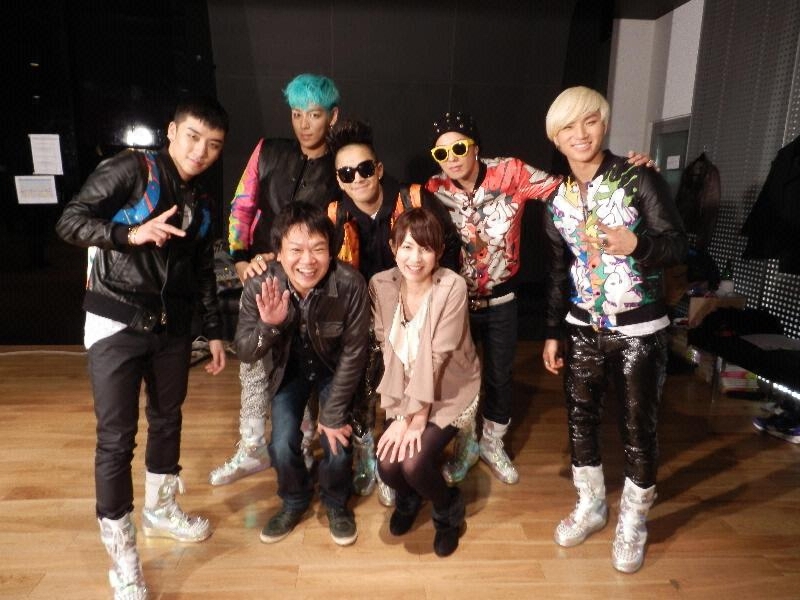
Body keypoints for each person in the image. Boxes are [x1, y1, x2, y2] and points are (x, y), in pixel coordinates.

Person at [55, 96, 230, 600]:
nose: (200, 151)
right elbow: (70, 221)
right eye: (193, 137)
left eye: (213, 145)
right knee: (116, 439)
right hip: (115, 319)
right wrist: (129, 234)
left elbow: (201, 270)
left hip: (171, 328)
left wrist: (214, 330)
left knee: (167, 419)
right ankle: (124, 560)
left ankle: (160, 507)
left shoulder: (203, 200)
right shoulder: (133, 169)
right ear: (172, 131)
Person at [425, 112, 656, 486]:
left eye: (459, 148)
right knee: (460, 379)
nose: (451, 158)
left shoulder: (511, 172)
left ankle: (492, 444)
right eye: (441, 153)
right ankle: (466, 446)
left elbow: (570, 188)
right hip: (456, 303)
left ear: (475, 147)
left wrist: (631, 174)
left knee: (500, 377)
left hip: (502, 299)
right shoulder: (433, 188)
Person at [541, 86, 687, 573]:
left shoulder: (638, 177)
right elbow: (558, 271)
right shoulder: (555, 199)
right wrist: (552, 331)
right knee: (579, 418)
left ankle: (633, 520)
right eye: (568, 126)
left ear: (604, 124)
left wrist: (636, 245)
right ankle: (591, 505)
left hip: (640, 328)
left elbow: (678, 245)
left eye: (590, 121)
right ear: (556, 138)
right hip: (582, 326)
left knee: (638, 426)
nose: (580, 134)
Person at [209, 73, 341, 486]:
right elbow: (242, 204)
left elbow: (342, 226)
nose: (304, 124)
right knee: (253, 359)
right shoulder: (268, 150)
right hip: (262, 272)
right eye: (297, 114)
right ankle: (252, 445)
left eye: (314, 114)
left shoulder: (339, 165)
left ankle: (300, 442)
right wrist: (239, 257)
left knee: (300, 361)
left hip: (312, 279)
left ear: (332, 117)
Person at [325, 119, 461, 504]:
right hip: (362, 314)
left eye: (365, 169)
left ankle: (399, 447)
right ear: (339, 180)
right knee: (360, 381)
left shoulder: (413, 199)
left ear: (379, 169)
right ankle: (370, 450)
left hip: (416, 311)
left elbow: (448, 247)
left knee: (407, 378)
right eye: (347, 173)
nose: (358, 179)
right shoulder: (334, 214)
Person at [233, 201, 369, 546]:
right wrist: (269, 325)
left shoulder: (350, 283)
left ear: (331, 251)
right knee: (281, 444)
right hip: (288, 371)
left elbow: (355, 352)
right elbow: (246, 350)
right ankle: (294, 499)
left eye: (318, 249)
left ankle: (336, 501)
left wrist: (333, 413)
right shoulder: (259, 285)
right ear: (278, 252)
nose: (307, 261)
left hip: (334, 370)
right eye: (296, 250)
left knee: (336, 441)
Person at [371, 207, 480, 557]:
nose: (415, 258)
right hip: (404, 390)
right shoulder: (381, 285)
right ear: (393, 248)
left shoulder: (452, 287)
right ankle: (409, 498)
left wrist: (414, 419)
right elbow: (387, 350)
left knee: (414, 463)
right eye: (406, 247)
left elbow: (437, 358)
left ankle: (448, 511)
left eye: (425, 248)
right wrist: (400, 414)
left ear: (439, 252)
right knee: (387, 466)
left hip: (449, 388)